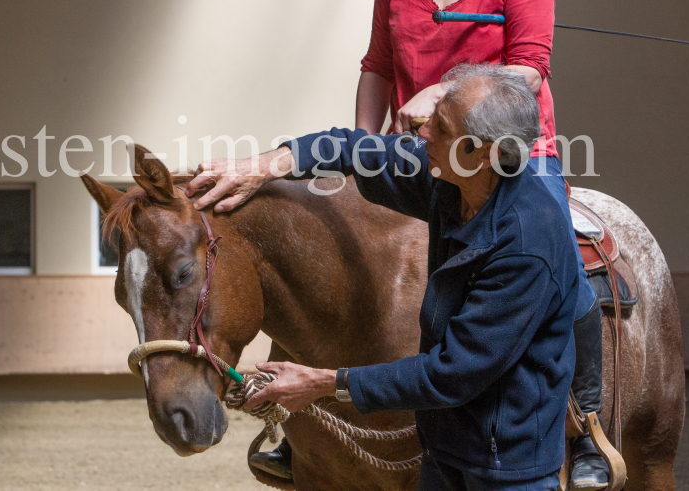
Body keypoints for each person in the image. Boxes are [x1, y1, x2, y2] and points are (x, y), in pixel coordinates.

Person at [186, 65, 579, 491]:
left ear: (484, 152)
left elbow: (452, 373)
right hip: (444, 450)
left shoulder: (527, 241)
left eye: (441, 128)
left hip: (505, 469)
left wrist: (321, 383)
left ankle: (589, 415)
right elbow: (352, 148)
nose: (423, 134)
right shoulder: (451, 179)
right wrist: (261, 166)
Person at [352, 0, 606, 490]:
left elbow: (528, 68)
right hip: (421, 146)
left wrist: (448, 90)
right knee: (334, 246)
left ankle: (586, 424)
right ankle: (307, 431)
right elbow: (378, 64)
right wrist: (362, 145)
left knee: (569, 272)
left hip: (511, 152)